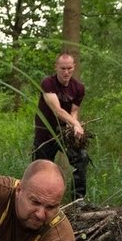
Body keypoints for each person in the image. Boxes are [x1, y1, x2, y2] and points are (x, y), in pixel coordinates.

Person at [33, 52, 89, 200]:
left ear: (74, 67)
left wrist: (73, 127)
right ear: (56, 67)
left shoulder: (78, 88)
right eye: (62, 68)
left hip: (64, 133)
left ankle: (78, 200)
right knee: (40, 170)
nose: (66, 72)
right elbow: (57, 110)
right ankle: (39, 200)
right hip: (45, 134)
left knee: (81, 158)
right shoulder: (48, 83)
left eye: (69, 68)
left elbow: (74, 111)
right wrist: (76, 123)